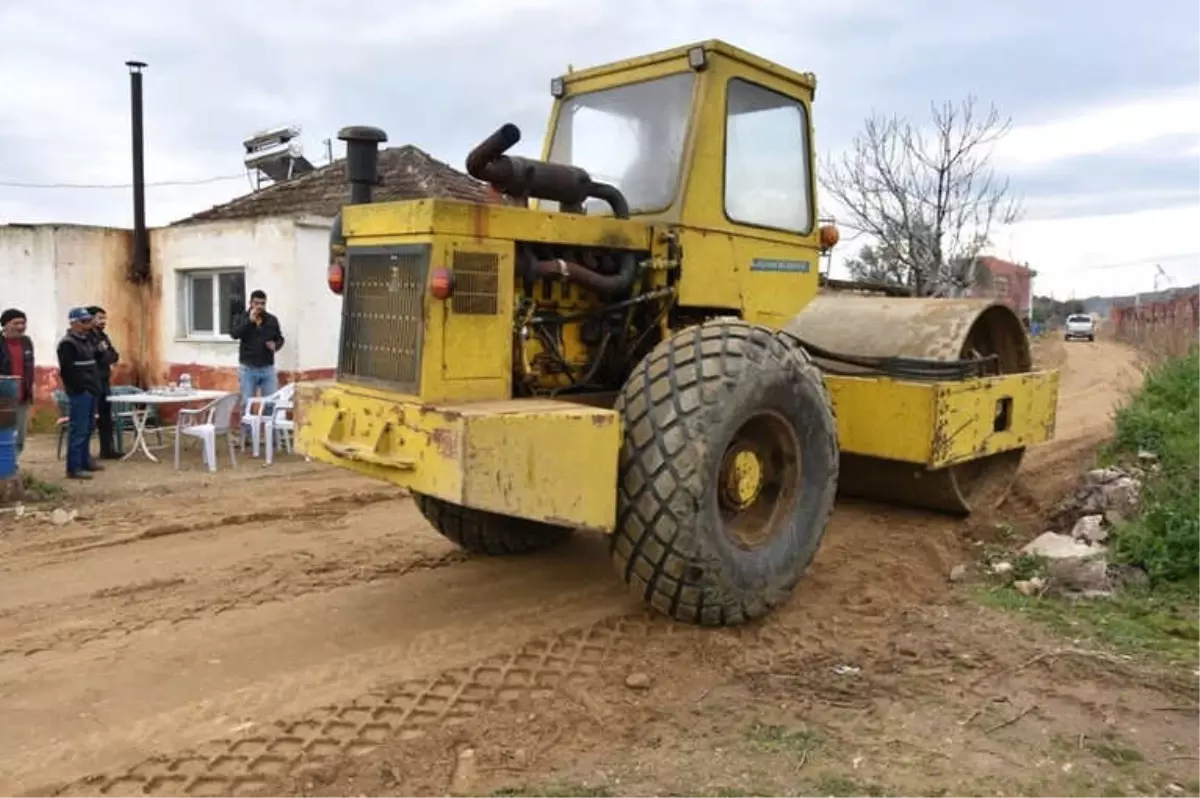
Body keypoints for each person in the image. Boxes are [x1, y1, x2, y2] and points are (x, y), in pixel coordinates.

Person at [230, 289, 285, 440]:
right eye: (257, 303)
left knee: (271, 403)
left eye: (263, 303)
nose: (260, 306)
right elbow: (234, 333)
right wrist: (250, 321)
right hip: (248, 368)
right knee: (247, 403)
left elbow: (280, 337)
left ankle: (271, 436)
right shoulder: (241, 317)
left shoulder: (271, 320)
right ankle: (246, 437)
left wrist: (276, 345)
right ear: (250, 303)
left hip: (267, 368)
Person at [56, 307, 104, 479]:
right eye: (84, 322)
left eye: (88, 321)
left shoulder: (87, 340)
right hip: (80, 391)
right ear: (74, 323)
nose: (88, 324)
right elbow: (67, 371)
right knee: (78, 429)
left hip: (91, 389)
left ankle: (85, 461)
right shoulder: (67, 343)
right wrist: (78, 388)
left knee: (89, 427)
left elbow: (100, 359)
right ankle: (74, 467)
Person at [86, 305, 121, 460]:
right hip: (91, 382)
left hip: (104, 380)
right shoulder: (85, 337)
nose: (103, 321)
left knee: (106, 417)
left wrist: (103, 353)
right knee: (89, 418)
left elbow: (113, 356)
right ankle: (84, 454)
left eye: (104, 318)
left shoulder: (102, 336)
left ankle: (107, 449)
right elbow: (92, 356)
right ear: (90, 318)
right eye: (100, 318)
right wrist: (101, 353)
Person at [0, 308, 35, 454]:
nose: (21, 327)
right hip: (3, 398)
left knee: (20, 438)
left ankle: (14, 467)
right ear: (5, 324)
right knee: (4, 436)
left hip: (22, 397)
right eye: (16, 323)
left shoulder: (26, 342)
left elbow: (30, 368)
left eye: (23, 323)